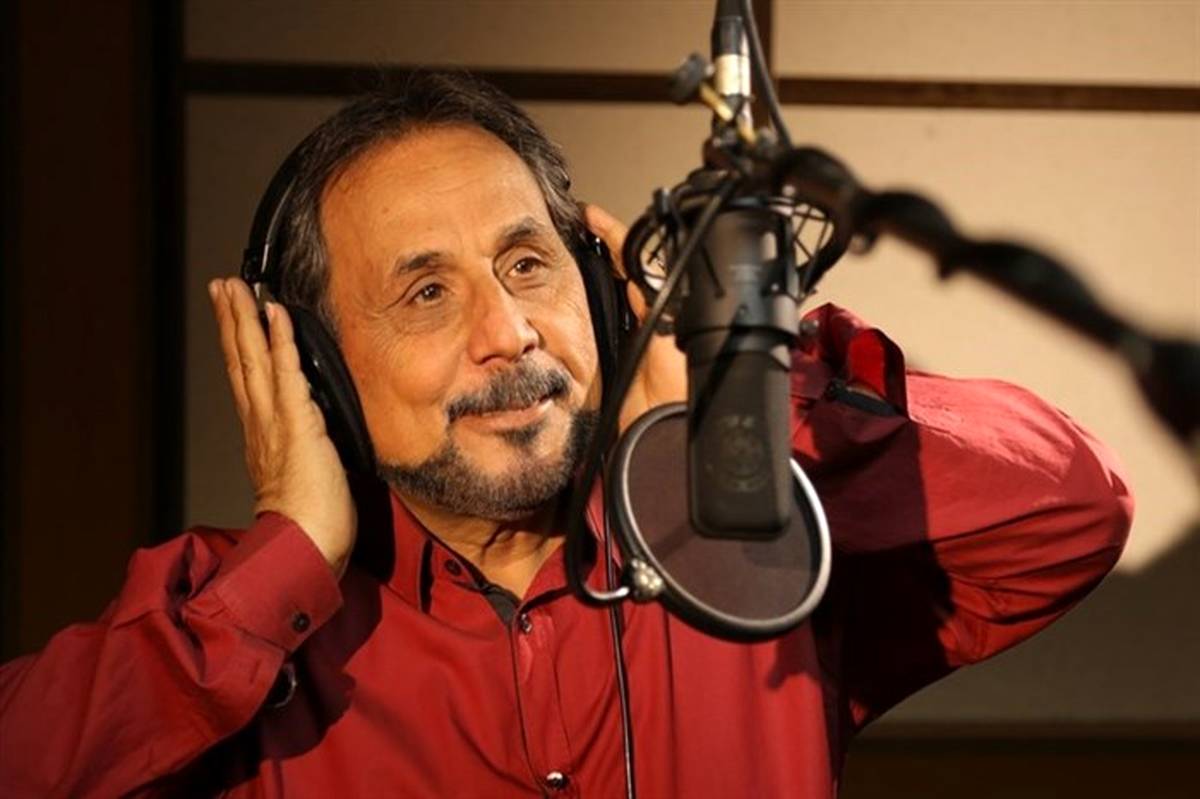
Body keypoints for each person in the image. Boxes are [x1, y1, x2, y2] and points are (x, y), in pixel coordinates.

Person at [0, 72, 1132, 798]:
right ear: (315, 368)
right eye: (426, 293)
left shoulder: (742, 538)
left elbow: (1070, 514)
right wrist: (283, 562)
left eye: (528, 264)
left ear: (599, 292)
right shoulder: (223, 621)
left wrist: (739, 396)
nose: (508, 332)